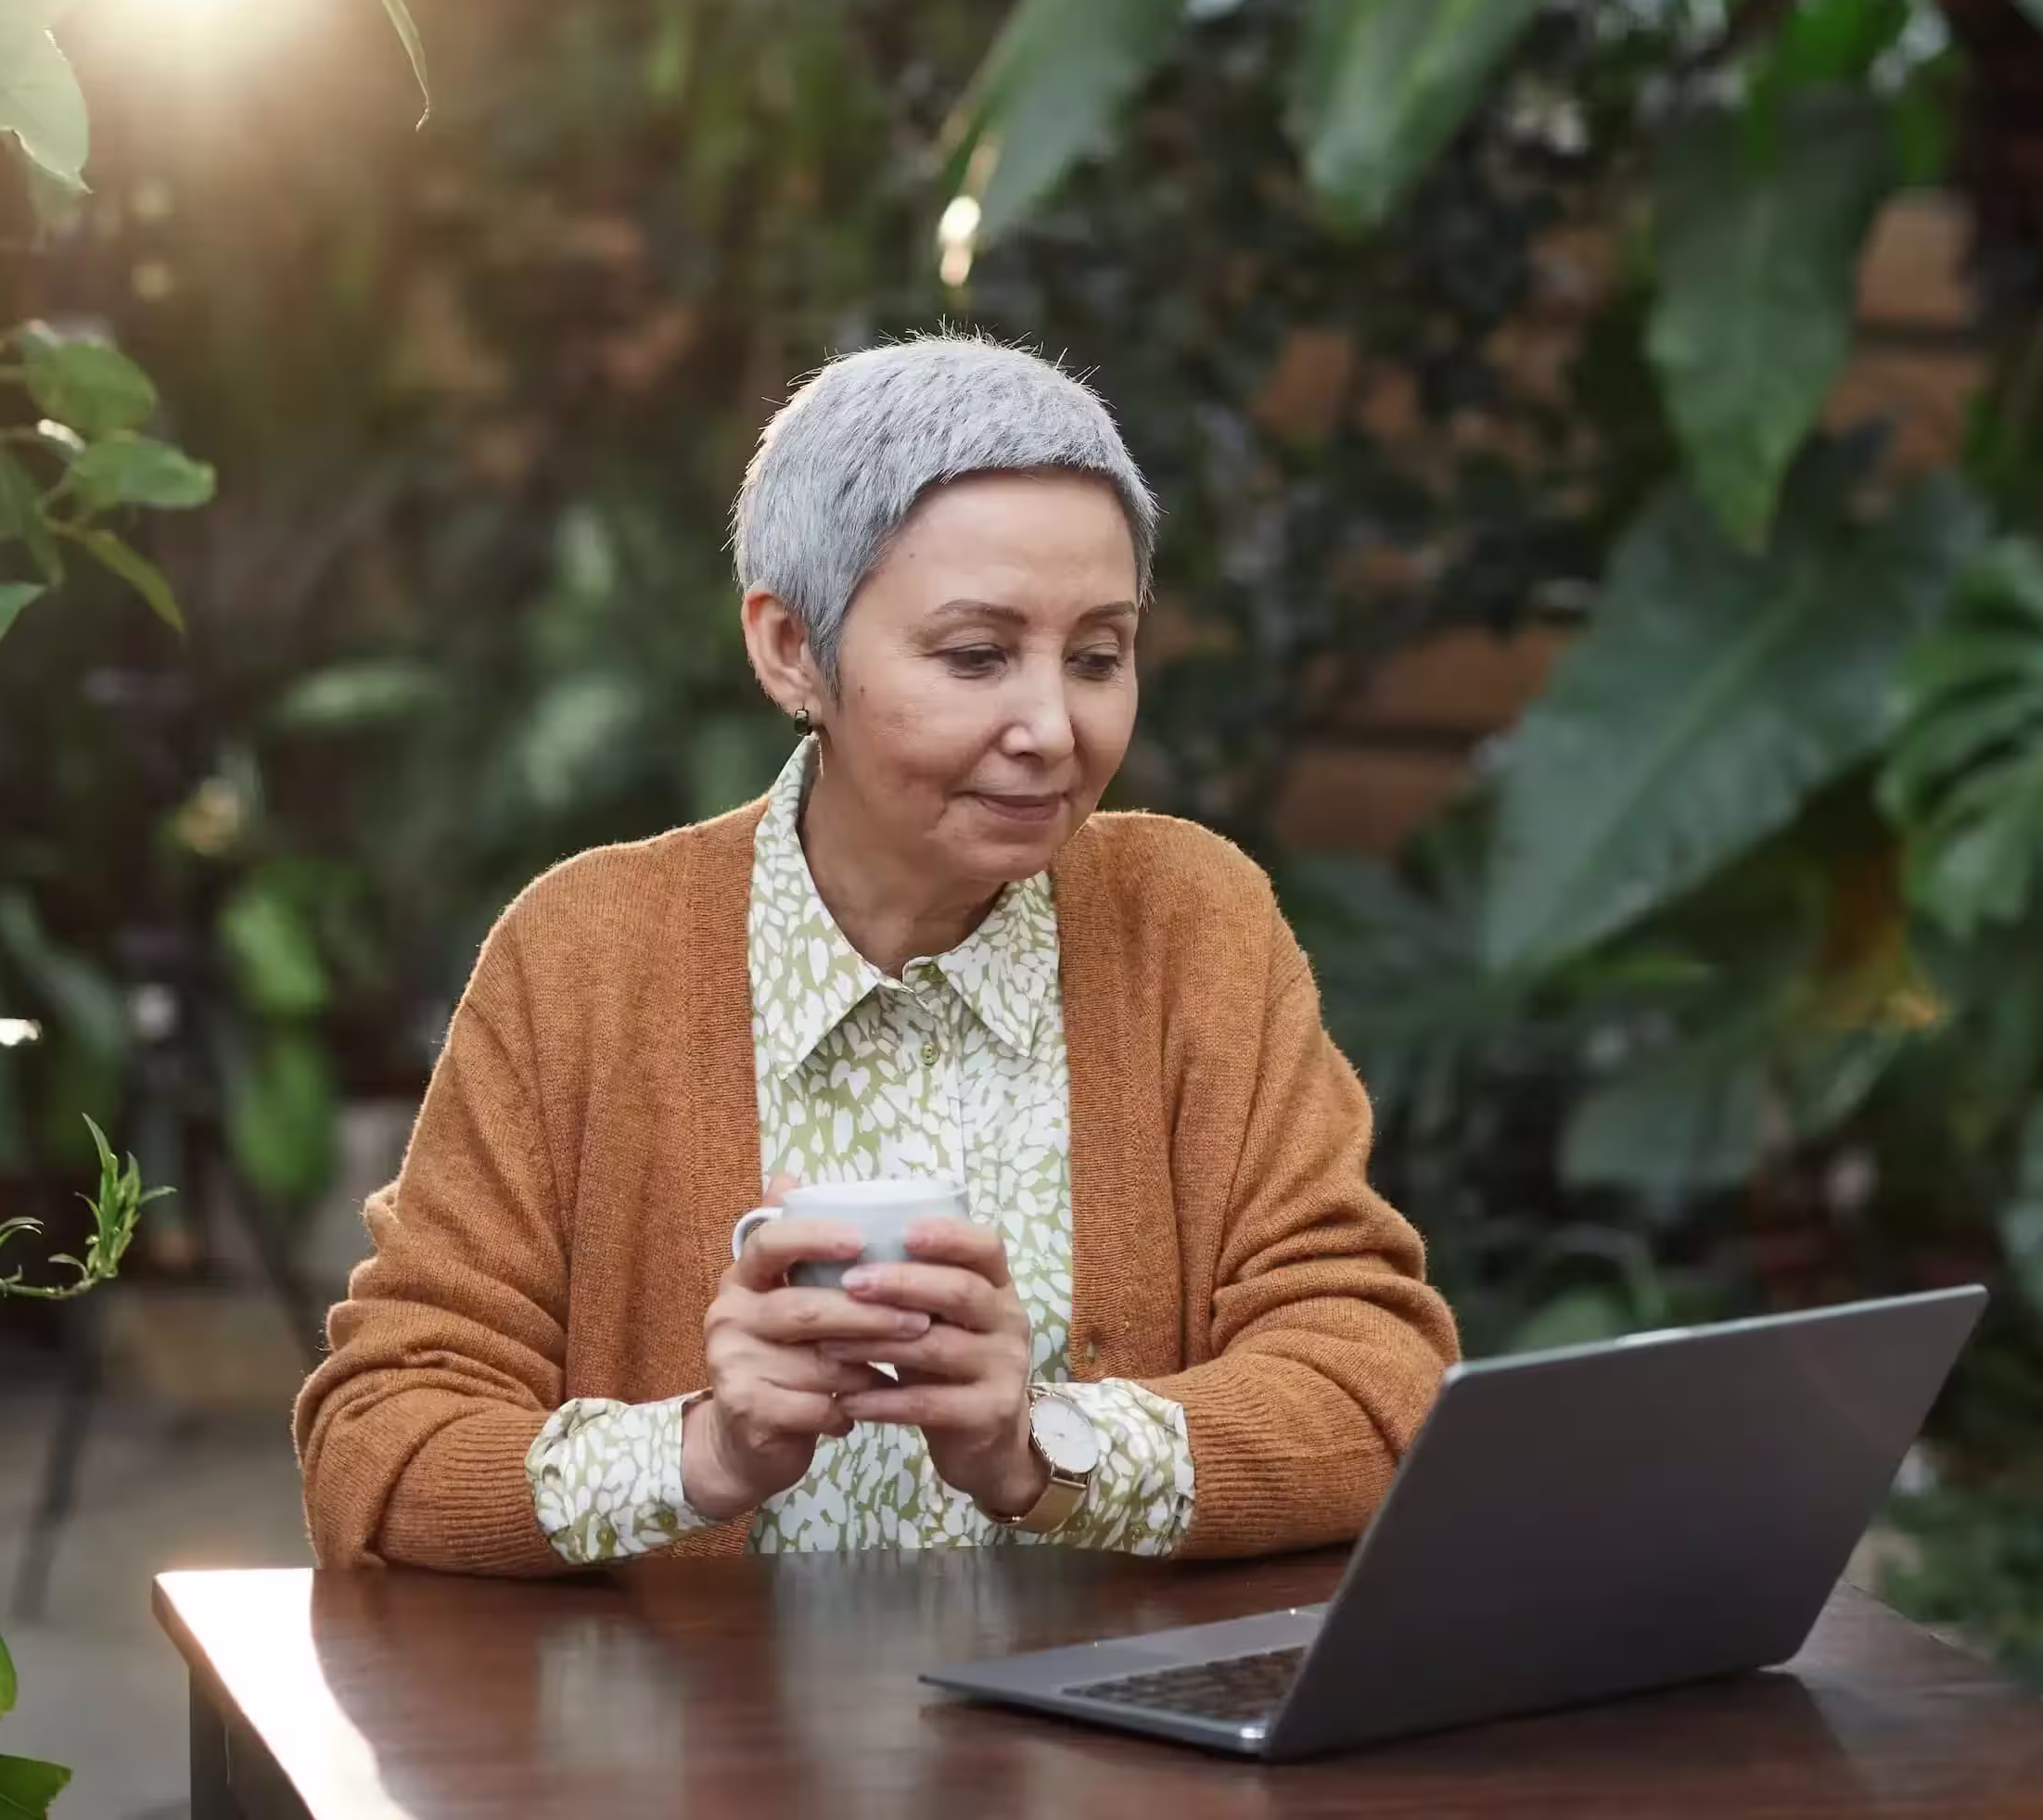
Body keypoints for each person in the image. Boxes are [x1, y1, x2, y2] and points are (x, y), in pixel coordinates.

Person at [295, 336, 1459, 1573]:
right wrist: (704, 1456)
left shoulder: (1191, 924)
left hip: (1120, 1760)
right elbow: (380, 1443)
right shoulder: (584, 956)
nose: (1052, 729)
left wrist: (1044, 1451)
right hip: (690, 1763)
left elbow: (1380, 1387)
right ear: (793, 649)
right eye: (974, 657)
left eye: (1099, 656)